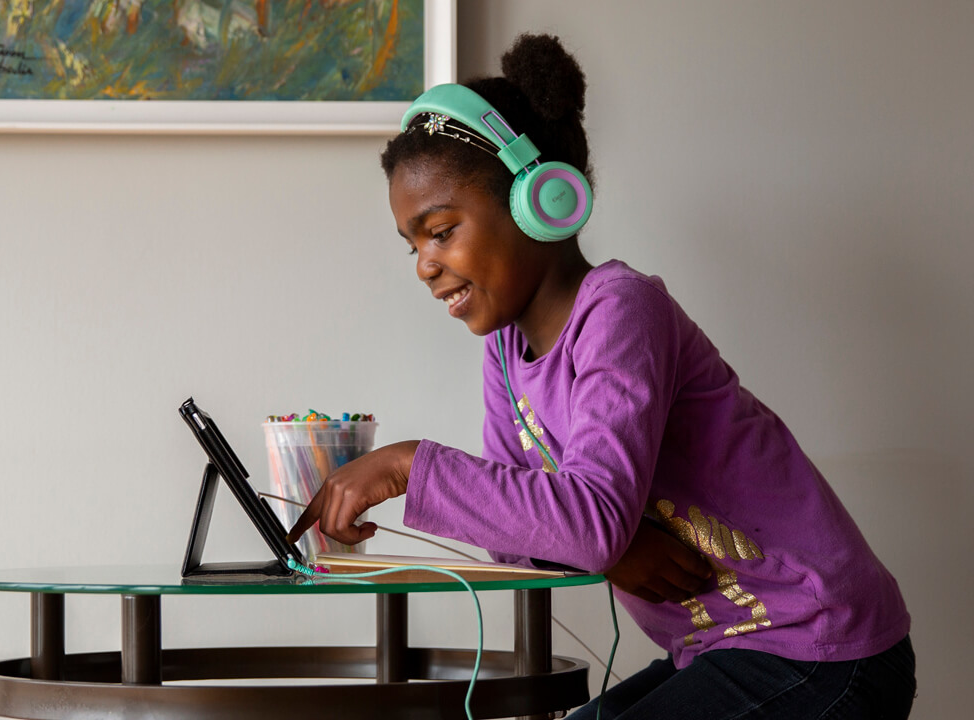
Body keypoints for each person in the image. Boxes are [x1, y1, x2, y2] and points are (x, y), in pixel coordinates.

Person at [287, 33, 915, 719]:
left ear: (540, 199)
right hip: (726, 649)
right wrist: (612, 551)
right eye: (413, 245)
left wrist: (409, 464)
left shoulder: (621, 309)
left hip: (820, 646)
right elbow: (518, 533)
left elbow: (583, 523)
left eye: (440, 231)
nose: (424, 266)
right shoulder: (504, 351)